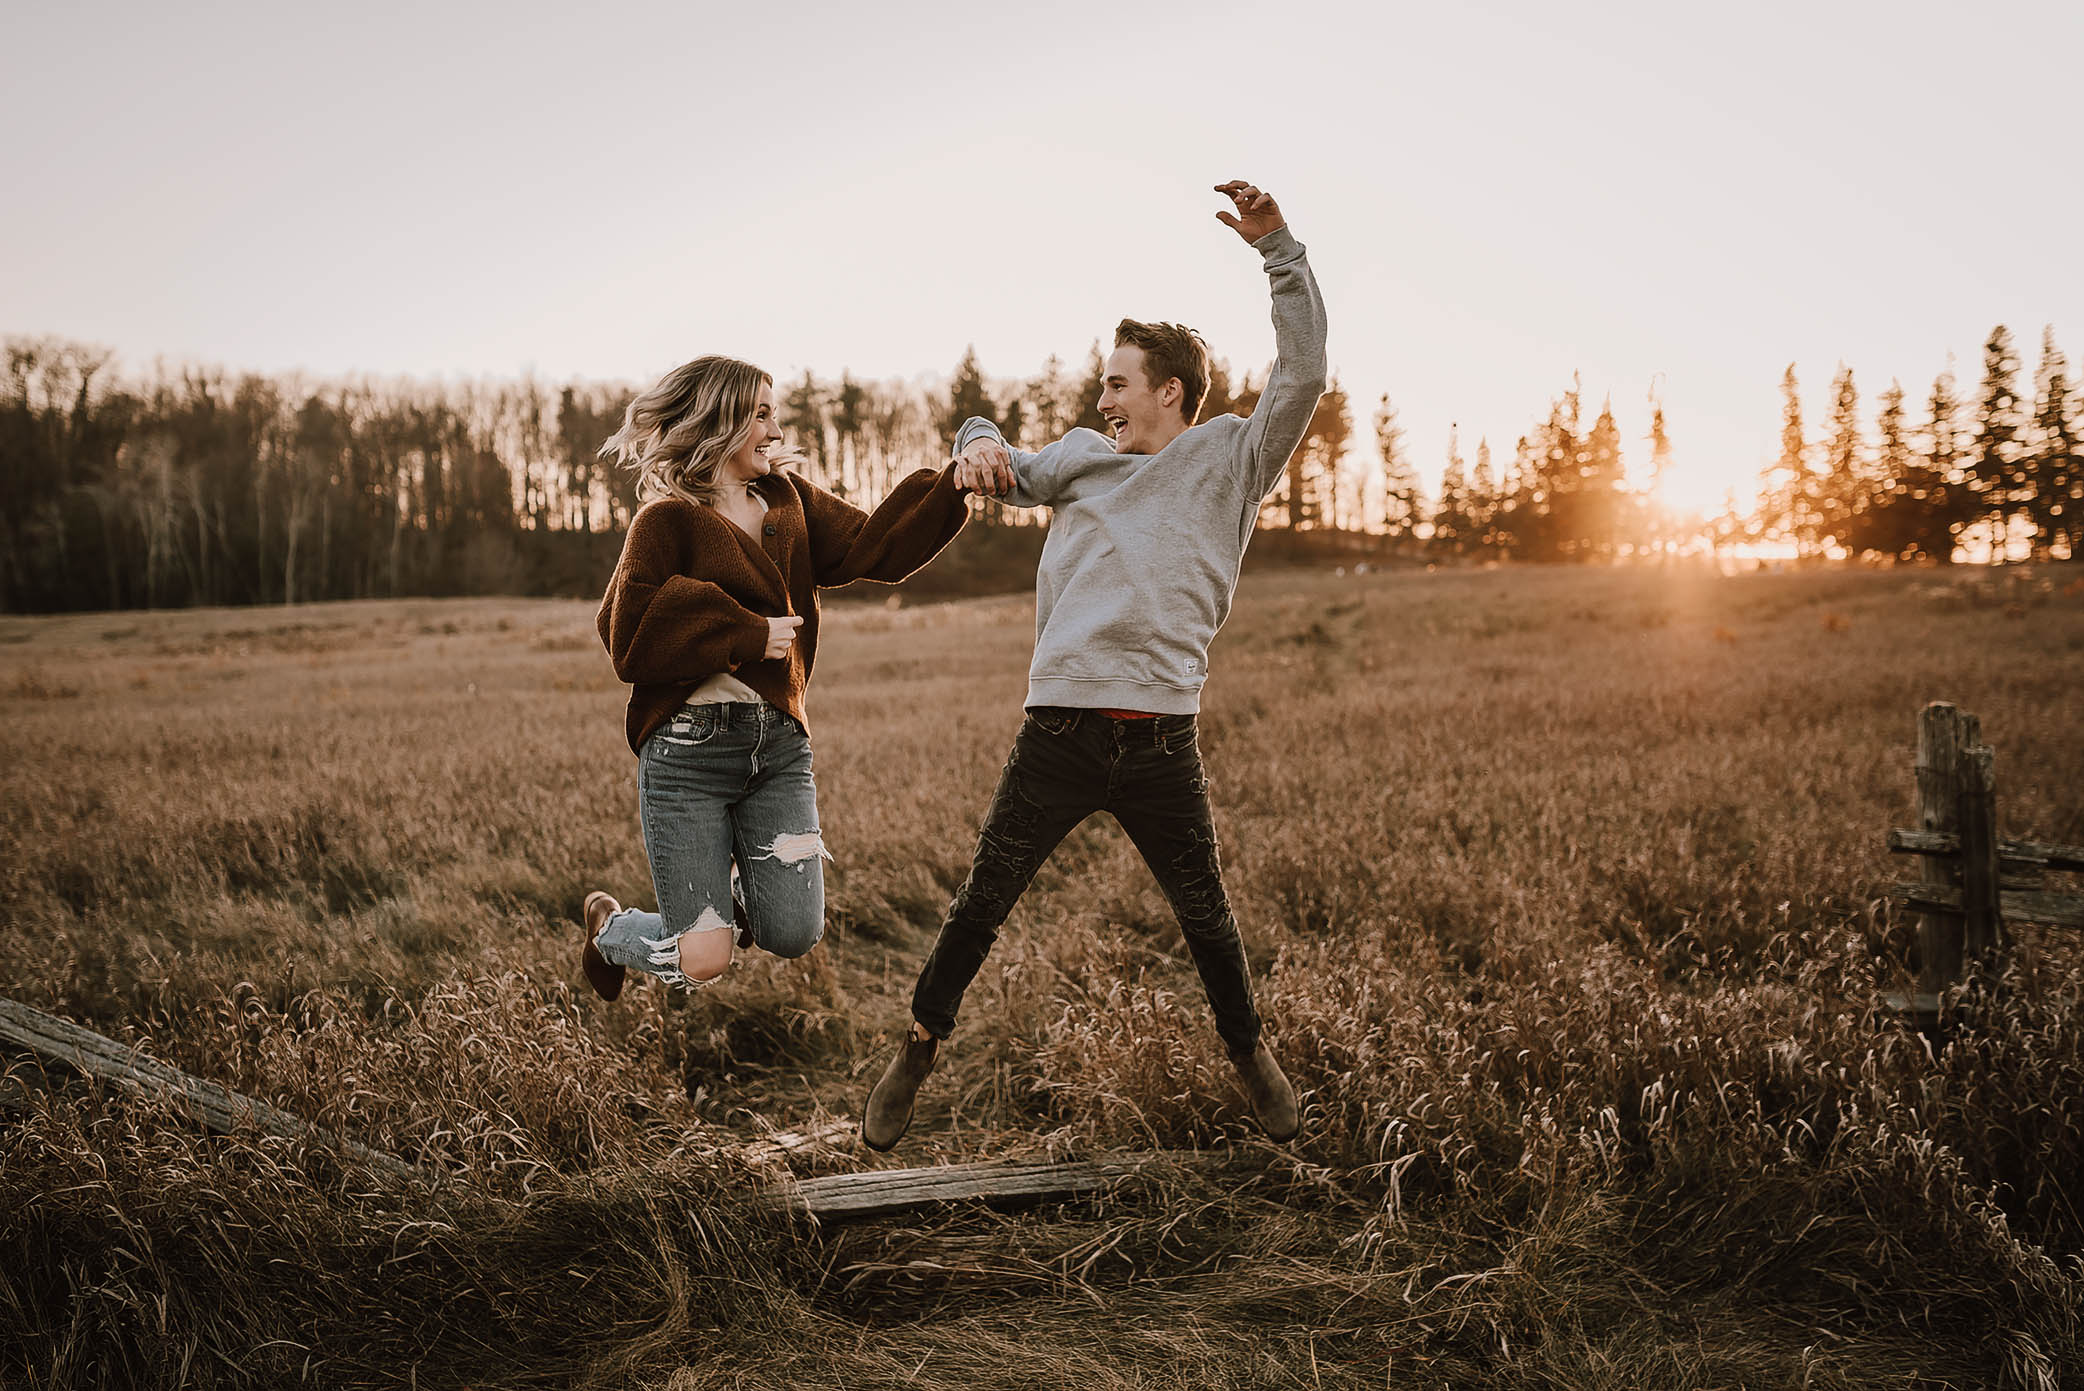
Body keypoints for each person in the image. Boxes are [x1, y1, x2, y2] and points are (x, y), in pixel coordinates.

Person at [862, 179, 1328, 1149]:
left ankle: (1249, 1054)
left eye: (1116, 381)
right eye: (1100, 383)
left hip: (1161, 740)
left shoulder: (1233, 460)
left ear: (1168, 390)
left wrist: (1277, 248)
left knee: (1207, 918)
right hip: (1059, 733)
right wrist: (977, 438)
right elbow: (988, 454)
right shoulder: (1077, 455)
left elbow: (1305, 370)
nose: (1100, 397)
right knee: (980, 901)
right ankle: (915, 1045)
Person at [583, 355, 972, 998]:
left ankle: (724, 899)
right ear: (720, 419)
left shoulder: (791, 503)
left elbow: (878, 544)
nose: (775, 429)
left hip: (779, 750)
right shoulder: (666, 520)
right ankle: (610, 931)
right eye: (762, 413)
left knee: (792, 931)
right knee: (704, 960)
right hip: (687, 756)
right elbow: (629, 635)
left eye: (775, 413)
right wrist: (745, 634)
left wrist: (953, 485)